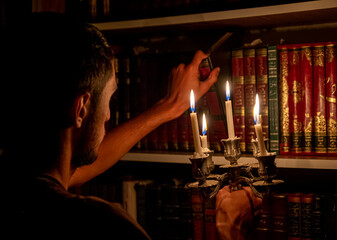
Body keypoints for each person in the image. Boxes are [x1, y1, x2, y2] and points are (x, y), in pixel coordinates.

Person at [0, 12, 219, 237]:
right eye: (109, 98)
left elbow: (78, 167)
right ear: (81, 108)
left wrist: (169, 106)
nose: (107, 116)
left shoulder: (16, 184)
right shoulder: (100, 222)